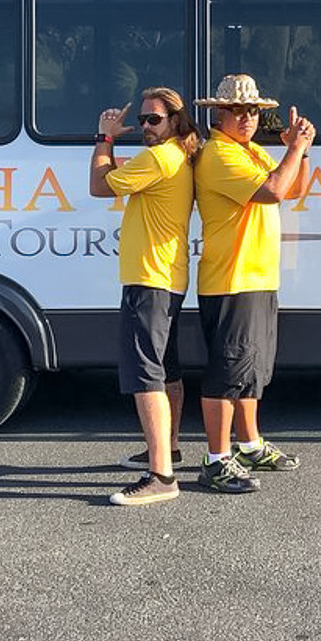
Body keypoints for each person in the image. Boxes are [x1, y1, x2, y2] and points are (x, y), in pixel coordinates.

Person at [191, 73, 315, 494]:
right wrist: (294, 148)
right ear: (219, 114)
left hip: (256, 277)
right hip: (231, 279)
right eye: (238, 111)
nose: (247, 118)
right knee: (227, 372)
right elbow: (275, 191)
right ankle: (215, 460)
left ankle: (248, 444)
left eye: (253, 111)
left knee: (250, 371)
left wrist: (302, 150)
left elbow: (294, 187)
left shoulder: (251, 151)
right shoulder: (219, 156)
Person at [90, 87, 199, 507]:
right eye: (145, 120)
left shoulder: (159, 158)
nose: (147, 127)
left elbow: (100, 186)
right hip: (168, 276)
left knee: (145, 376)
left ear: (174, 120)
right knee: (166, 371)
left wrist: (105, 137)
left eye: (155, 120)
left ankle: (161, 476)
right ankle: (166, 449)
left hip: (149, 279)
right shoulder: (180, 156)